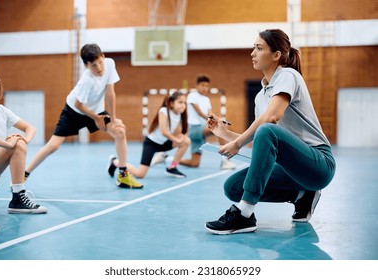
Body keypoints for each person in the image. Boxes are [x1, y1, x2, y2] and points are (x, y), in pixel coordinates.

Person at [205, 29, 336, 235]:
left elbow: (271, 119)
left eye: (259, 48)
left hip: (318, 164)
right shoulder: (260, 96)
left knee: (268, 129)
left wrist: (236, 144)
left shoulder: (287, 75)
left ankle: (245, 214)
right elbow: (261, 139)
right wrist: (224, 133)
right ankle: (302, 195)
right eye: (253, 48)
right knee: (233, 187)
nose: (252, 53)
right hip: (291, 170)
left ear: (276, 55)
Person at [24, 44, 142, 189]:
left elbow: (110, 94)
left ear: (103, 57)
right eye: (93, 65)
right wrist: (96, 118)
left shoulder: (109, 64)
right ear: (86, 66)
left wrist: (112, 119)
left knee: (120, 131)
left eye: (100, 62)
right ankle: (24, 173)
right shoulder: (87, 80)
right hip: (74, 112)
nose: (99, 68)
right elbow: (78, 104)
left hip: (96, 110)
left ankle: (123, 175)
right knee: (53, 146)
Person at [0, 69, 47, 234]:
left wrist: (24, 141)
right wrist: (7, 144)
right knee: (14, 143)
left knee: (19, 143)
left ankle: (17, 200)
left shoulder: (1, 111)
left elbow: (30, 128)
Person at [152, 75, 236, 170]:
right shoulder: (192, 96)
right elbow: (200, 113)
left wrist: (219, 119)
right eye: (202, 85)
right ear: (197, 86)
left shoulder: (206, 99)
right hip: (194, 129)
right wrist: (216, 122)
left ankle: (166, 158)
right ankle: (225, 160)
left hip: (201, 132)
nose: (204, 88)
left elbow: (210, 114)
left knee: (194, 163)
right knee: (219, 128)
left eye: (206, 86)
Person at [107, 91, 190, 179]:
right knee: (140, 174)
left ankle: (172, 167)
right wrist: (177, 140)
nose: (183, 105)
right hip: (151, 144)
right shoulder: (164, 111)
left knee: (186, 141)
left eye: (184, 103)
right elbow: (164, 132)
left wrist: (182, 137)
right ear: (171, 103)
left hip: (164, 143)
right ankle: (115, 161)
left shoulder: (180, 114)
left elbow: (182, 131)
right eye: (180, 102)